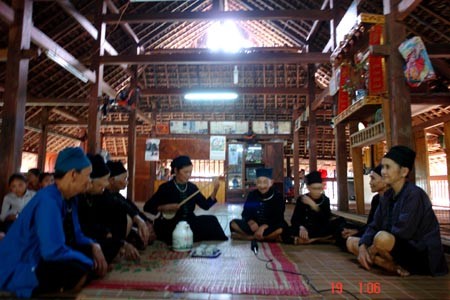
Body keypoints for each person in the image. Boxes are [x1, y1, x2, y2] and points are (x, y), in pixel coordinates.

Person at [0, 147, 107, 298]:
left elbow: (76, 234)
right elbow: (52, 251)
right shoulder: (48, 200)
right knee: (80, 269)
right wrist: (87, 261)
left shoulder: (70, 198)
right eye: (88, 175)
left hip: (42, 255)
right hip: (22, 262)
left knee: (94, 255)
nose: (89, 181)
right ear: (73, 175)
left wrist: (93, 245)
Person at [348, 145, 448, 276]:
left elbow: (403, 232)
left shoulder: (414, 195)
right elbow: (374, 225)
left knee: (382, 238)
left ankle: (386, 262)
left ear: (404, 172)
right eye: (383, 167)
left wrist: (372, 249)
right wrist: (362, 247)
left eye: (388, 167)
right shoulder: (387, 196)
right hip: (392, 249)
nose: (383, 171)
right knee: (352, 242)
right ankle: (391, 266)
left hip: (420, 254)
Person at [144, 155, 228, 244]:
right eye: (185, 172)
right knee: (167, 230)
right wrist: (163, 207)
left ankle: (185, 237)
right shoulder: (165, 188)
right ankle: (185, 238)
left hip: (189, 221)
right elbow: (147, 207)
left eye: (190, 172)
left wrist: (215, 190)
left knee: (212, 220)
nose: (188, 175)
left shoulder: (192, 188)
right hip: (171, 223)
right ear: (176, 171)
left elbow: (205, 205)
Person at [78, 155, 140, 263]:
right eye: (105, 180)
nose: (107, 184)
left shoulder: (101, 194)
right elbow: (81, 228)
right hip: (83, 240)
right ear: (90, 181)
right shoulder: (75, 197)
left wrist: (139, 219)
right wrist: (110, 237)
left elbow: (122, 204)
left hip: (96, 235)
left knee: (120, 212)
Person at [104, 160, 155, 250]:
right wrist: (139, 221)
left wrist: (146, 222)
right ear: (112, 180)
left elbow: (133, 209)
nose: (127, 182)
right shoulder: (104, 195)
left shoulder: (119, 196)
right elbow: (125, 208)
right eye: (124, 179)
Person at [230, 168, 287, 241]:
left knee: (281, 229)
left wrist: (263, 227)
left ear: (271, 183)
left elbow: (278, 217)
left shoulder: (278, 197)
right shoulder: (252, 195)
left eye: (265, 182)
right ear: (256, 183)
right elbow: (245, 213)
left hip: (270, 226)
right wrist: (251, 222)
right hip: (253, 227)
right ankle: (264, 238)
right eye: (259, 182)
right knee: (233, 223)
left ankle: (249, 237)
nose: (262, 186)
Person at [336, 164, 385, 250]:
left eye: (373, 178)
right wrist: (356, 231)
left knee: (347, 240)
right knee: (341, 227)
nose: (370, 182)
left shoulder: (392, 200)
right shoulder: (376, 199)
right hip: (371, 231)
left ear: (385, 180)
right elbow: (370, 223)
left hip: (381, 236)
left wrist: (358, 233)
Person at [285, 171, 332, 244]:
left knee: (338, 225)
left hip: (320, 229)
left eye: (319, 188)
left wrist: (314, 206)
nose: (317, 191)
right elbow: (294, 220)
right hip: (304, 229)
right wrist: (301, 227)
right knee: (284, 230)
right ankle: (318, 240)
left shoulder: (325, 200)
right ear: (308, 188)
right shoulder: (302, 199)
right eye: (314, 188)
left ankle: (309, 240)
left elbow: (326, 220)